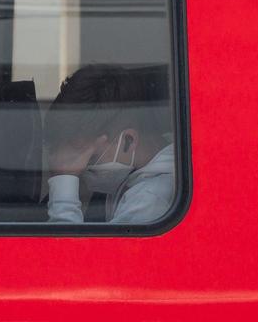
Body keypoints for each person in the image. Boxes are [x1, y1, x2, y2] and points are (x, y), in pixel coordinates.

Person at [44, 64, 175, 224]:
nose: (81, 168)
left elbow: (66, 241)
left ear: (128, 141)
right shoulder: (136, 175)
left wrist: (64, 184)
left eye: (91, 159)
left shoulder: (150, 200)